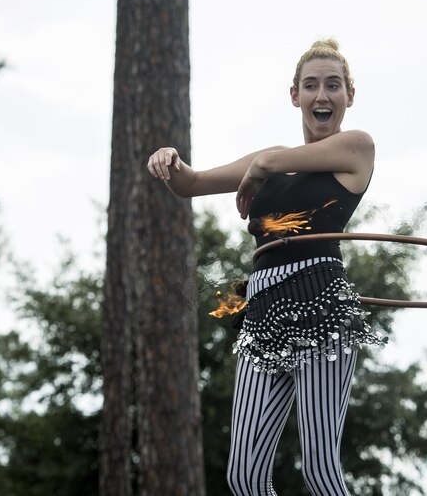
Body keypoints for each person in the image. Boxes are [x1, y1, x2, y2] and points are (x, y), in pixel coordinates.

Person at [147, 39, 386, 495]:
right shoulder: (272, 160)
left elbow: (270, 161)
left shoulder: (358, 148)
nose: (321, 95)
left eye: (332, 85)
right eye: (310, 86)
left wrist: (262, 166)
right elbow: (190, 183)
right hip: (262, 316)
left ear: (349, 95)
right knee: (244, 477)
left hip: (322, 310)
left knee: (319, 470)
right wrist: (168, 159)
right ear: (295, 95)